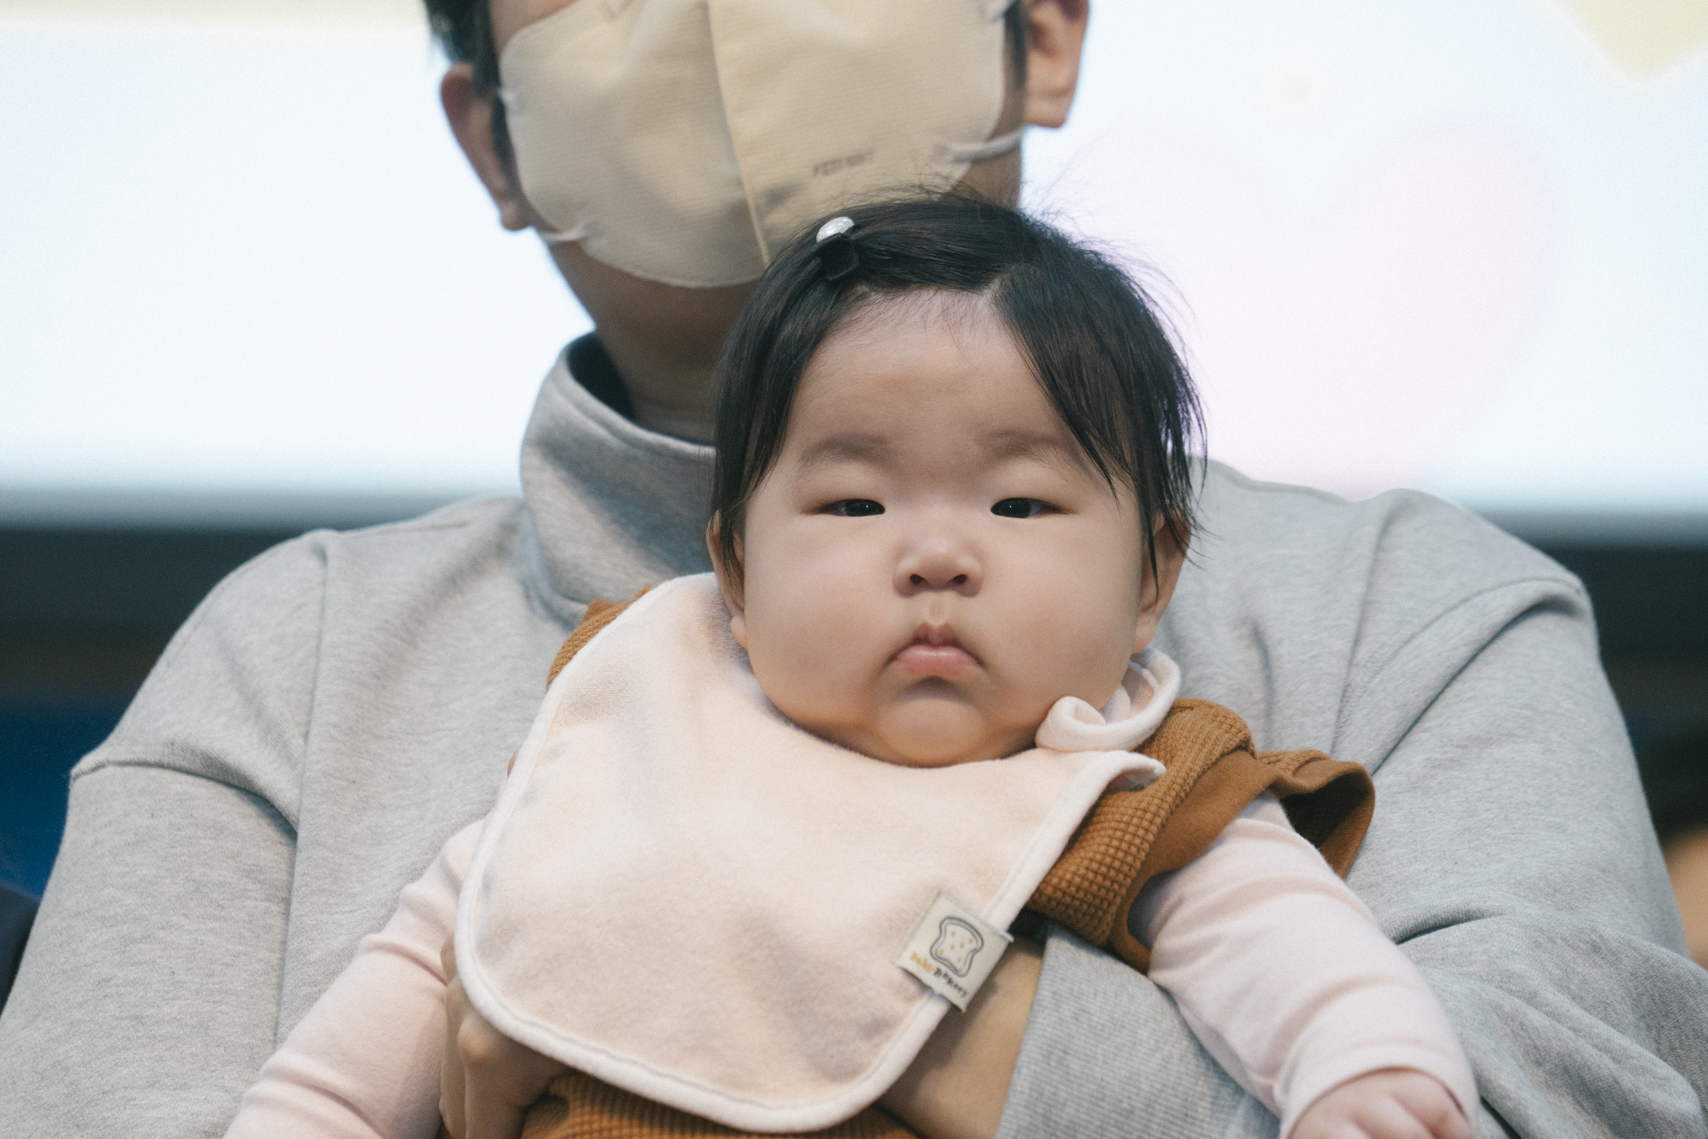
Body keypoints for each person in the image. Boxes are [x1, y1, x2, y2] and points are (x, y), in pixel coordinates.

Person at [0, 1, 1702, 1137]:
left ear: (1043, 27)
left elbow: (1532, 1106)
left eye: (1019, 505)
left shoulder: (1423, 615)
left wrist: (690, 948)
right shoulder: (294, 659)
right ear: (491, 136)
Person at [221, 200, 1474, 1139]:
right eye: (854, 502)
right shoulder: (647, 715)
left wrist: (1363, 1068)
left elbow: (1285, 941)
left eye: (1021, 503)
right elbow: (428, 956)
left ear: (1153, 573)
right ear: (734, 570)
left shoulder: (1132, 789)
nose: (935, 554)